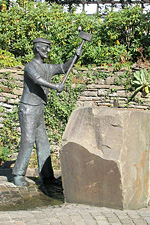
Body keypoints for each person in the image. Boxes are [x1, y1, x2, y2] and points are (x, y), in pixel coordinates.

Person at [12, 37, 81, 186]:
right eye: (46, 48)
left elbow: (63, 67)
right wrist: (55, 86)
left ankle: (48, 177)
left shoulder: (48, 67)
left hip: (38, 109)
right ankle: (18, 174)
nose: (48, 51)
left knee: (43, 142)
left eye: (49, 48)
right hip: (28, 109)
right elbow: (37, 80)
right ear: (37, 48)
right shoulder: (30, 67)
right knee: (28, 141)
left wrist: (75, 57)